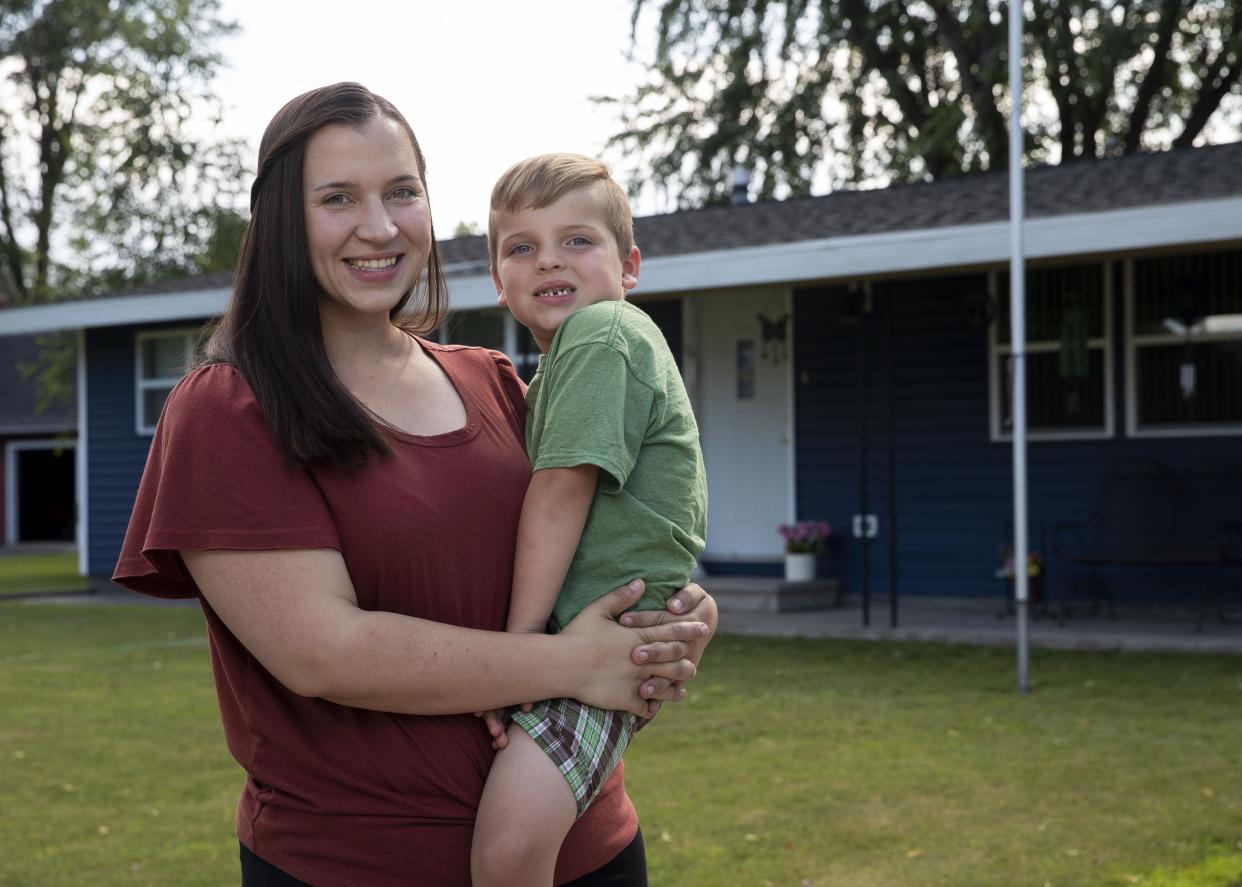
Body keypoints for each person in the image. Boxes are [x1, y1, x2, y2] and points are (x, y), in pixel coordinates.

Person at [111, 82, 716, 887]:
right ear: (283, 222)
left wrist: (672, 620)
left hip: (592, 846)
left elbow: (600, 523)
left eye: (402, 192)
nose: (379, 225)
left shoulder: (497, 382)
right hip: (361, 865)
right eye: (338, 198)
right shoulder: (230, 408)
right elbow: (325, 652)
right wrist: (566, 665)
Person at [470, 154, 707, 887]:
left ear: (628, 265)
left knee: (509, 851)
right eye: (522, 247)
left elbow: (561, 492)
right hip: (595, 638)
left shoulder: (604, 334)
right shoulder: (561, 366)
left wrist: (514, 654)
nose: (549, 261)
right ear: (498, 281)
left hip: (598, 642)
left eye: (577, 240)